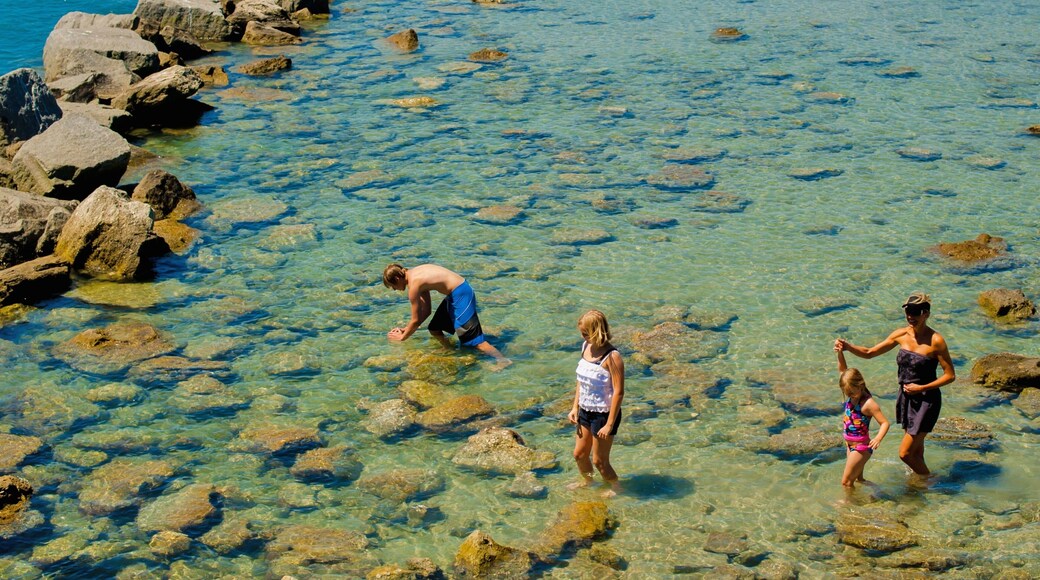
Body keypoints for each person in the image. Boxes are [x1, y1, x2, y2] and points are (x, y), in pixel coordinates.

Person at [834, 292, 955, 477]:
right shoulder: (901, 334)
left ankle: (931, 482)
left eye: (915, 313)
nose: (910, 317)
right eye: (908, 312)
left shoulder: (936, 341)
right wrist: (848, 347)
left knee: (905, 454)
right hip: (906, 399)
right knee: (916, 451)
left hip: (926, 401)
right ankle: (920, 486)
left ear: (926, 314)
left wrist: (921, 388)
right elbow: (869, 352)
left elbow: (950, 376)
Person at [382, 263, 508, 364]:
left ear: (397, 278)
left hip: (461, 294)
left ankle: (502, 360)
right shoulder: (415, 275)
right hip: (455, 293)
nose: (394, 289)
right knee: (435, 328)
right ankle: (450, 350)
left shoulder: (414, 286)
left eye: (393, 286)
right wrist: (406, 329)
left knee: (473, 341)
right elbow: (426, 311)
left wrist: (402, 338)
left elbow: (415, 320)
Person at [567, 310, 624, 497]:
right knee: (579, 455)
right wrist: (575, 407)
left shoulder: (612, 356)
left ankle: (616, 488)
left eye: (585, 333)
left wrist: (609, 424)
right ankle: (588, 481)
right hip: (585, 409)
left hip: (604, 414)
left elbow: (618, 392)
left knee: (600, 461)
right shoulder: (585, 347)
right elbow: (582, 381)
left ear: (597, 331)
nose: (583, 337)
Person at [835, 346, 890, 488]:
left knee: (846, 482)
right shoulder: (852, 389)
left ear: (861, 386)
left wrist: (878, 438)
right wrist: (840, 352)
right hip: (850, 445)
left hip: (861, 447)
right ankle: (876, 491)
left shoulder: (868, 404)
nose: (851, 396)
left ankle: (846, 506)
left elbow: (884, 423)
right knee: (857, 480)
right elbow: (843, 371)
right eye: (848, 393)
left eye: (853, 393)